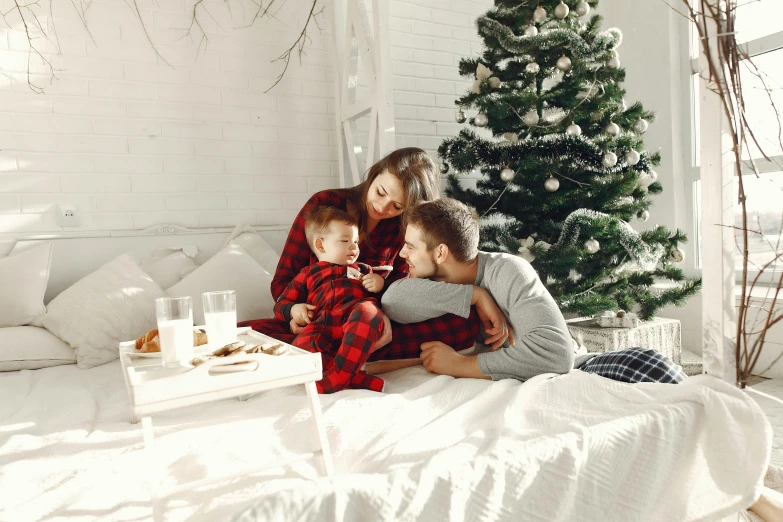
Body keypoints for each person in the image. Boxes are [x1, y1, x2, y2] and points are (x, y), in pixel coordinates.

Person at [240, 148, 495, 378]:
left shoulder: (404, 231)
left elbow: (407, 292)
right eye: (380, 192)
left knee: (464, 323)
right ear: (374, 174)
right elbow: (283, 283)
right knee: (237, 333)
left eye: (397, 206)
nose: (382, 207)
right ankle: (353, 356)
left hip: (371, 322)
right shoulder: (323, 206)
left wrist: (381, 313)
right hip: (316, 318)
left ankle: (332, 354)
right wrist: (294, 310)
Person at [375, 198, 687, 384]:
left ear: (441, 253)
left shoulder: (507, 271)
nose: (402, 253)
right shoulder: (430, 280)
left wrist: (461, 365)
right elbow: (392, 301)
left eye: (411, 246)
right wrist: (475, 296)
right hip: (536, 366)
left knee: (656, 370)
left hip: (586, 365)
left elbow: (557, 355)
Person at [274, 206, 389, 393]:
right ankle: (352, 377)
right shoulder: (308, 273)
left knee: (368, 312)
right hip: (322, 323)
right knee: (301, 347)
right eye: (345, 240)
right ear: (320, 245)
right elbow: (281, 305)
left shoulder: (363, 269)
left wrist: (380, 284)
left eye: (356, 241)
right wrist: (295, 310)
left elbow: (385, 301)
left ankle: (336, 379)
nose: (354, 247)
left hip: (355, 320)